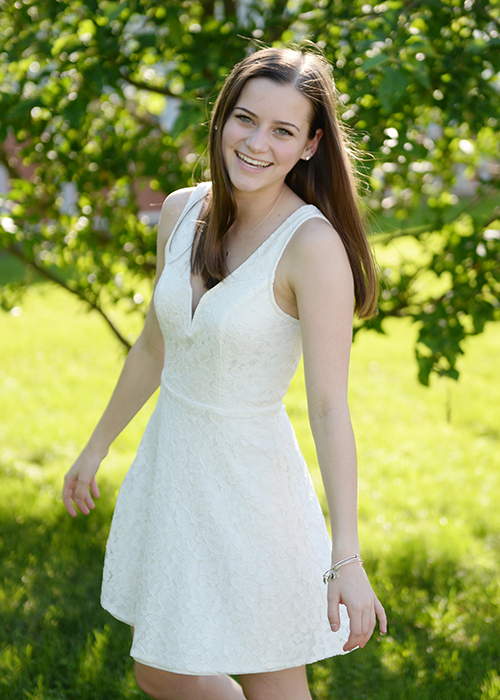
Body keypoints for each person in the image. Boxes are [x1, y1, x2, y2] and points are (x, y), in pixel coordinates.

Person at [62, 46, 387, 700]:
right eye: (245, 119)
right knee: (159, 666)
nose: (257, 143)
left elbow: (328, 407)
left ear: (310, 145)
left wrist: (344, 556)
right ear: (221, 119)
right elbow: (156, 347)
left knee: (271, 676)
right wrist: (95, 448)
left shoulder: (312, 247)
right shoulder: (182, 211)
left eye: (283, 130)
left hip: (251, 485)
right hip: (174, 470)